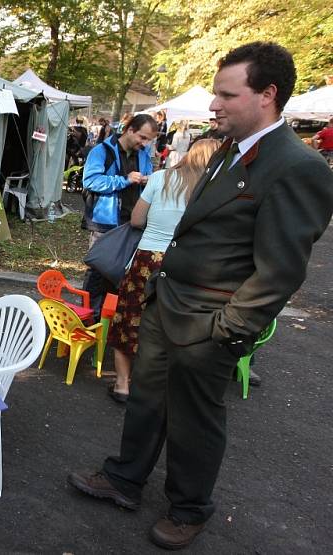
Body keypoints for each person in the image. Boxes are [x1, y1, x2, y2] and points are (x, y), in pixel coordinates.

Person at [68, 42, 333, 550]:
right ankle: (125, 479)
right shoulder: (228, 150)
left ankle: (189, 509)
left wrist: (224, 331)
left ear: (267, 95)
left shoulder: (297, 166)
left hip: (209, 322)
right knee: (146, 402)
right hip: (167, 304)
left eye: (226, 95)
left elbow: (279, 272)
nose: (214, 105)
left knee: (195, 421)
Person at [106, 139, 220, 403]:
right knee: (175, 323)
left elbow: (136, 220)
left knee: (129, 318)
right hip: (187, 262)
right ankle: (158, 386)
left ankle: (122, 384)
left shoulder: (160, 178)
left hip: (147, 259)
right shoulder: (212, 189)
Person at [81, 113, 157, 319]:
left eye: (149, 139)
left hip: (132, 222)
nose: (145, 143)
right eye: (142, 137)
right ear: (129, 130)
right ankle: (89, 316)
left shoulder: (143, 154)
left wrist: (148, 181)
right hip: (105, 222)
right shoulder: (101, 151)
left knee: (121, 273)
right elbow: (90, 181)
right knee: (98, 269)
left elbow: (148, 177)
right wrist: (124, 180)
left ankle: (108, 317)